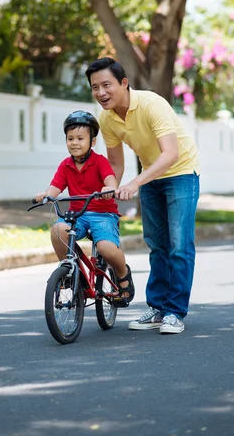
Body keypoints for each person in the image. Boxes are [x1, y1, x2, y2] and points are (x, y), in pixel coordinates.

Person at [85, 57, 200, 334]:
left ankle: (175, 312)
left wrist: (135, 183)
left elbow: (170, 154)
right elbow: (115, 163)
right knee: (157, 244)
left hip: (181, 173)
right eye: (94, 87)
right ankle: (158, 308)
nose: (101, 93)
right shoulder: (107, 118)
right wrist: (109, 186)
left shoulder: (151, 103)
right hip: (151, 176)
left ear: (124, 83)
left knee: (178, 245)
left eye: (106, 85)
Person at [34, 110, 135, 304]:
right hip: (77, 215)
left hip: (103, 214)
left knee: (105, 248)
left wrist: (109, 188)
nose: (74, 142)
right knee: (57, 230)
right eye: (70, 138)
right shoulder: (65, 165)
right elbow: (55, 187)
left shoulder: (99, 161)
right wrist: (46, 196)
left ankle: (123, 274)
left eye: (80, 138)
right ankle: (69, 273)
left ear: (93, 142)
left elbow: (110, 179)